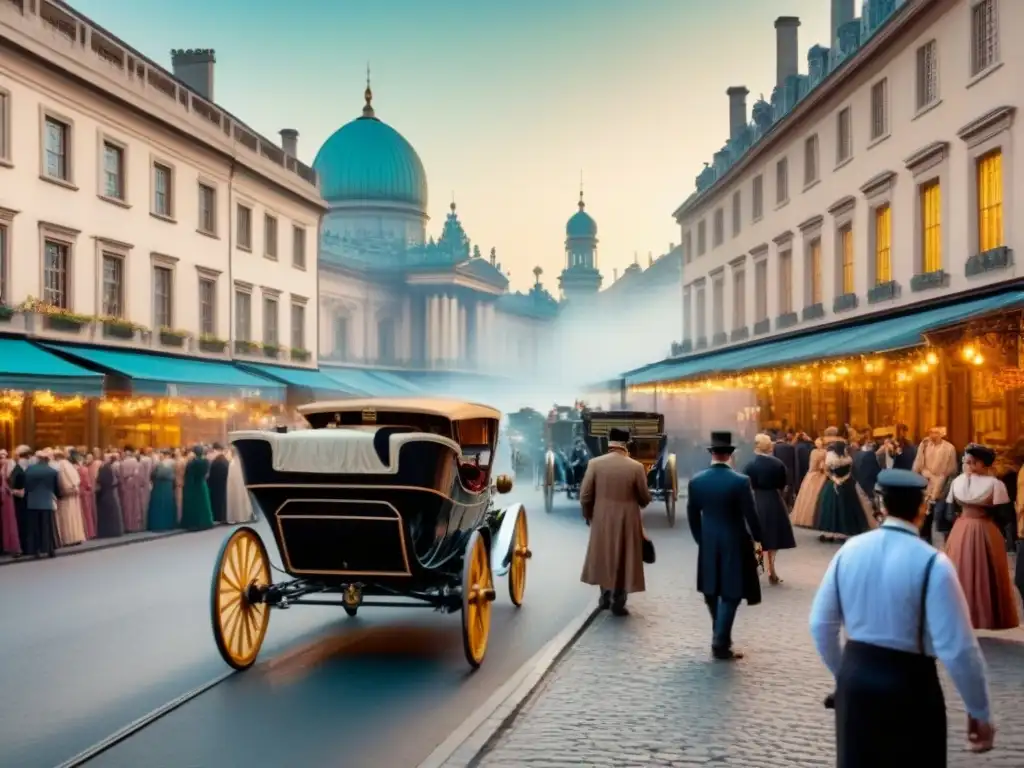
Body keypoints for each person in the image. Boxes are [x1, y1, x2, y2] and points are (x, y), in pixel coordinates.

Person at [809, 469, 995, 766]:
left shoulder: (849, 551)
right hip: (911, 683)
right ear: (923, 508)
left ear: (881, 506)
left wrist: (843, 672)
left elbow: (820, 625)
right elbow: (959, 648)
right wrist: (979, 710)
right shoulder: (934, 563)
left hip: (857, 678)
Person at [686, 431, 762, 660]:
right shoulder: (740, 481)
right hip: (734, 540)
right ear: (730, 455)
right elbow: (751, 515)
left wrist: (701, 538)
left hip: (708, 541)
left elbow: (692, 514)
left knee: (711, 589)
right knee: (731, 593)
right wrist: (759, 538)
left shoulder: (697, 481)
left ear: (712, 453)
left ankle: (720, 636)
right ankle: (720, 641)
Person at [944, 443, 1019, 630]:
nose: (969, 465)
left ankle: (957, 613)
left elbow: (948, 512)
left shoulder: (957, 482)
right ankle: (984, 615)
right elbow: (1005, 515)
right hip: (986, 528)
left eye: (971, 462)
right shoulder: (995, 484)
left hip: (960, 529)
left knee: (960, 567)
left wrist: (960, 519)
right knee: (985, 571)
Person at [579, 427, 650, 616]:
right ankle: (619, 599)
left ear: (609, 443)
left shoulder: (595, 464)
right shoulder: (636, 467)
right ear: (626, 444)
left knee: (604, 555)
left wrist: (589, 515)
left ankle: (605, 596)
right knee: (624, 557)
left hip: (601, 516)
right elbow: (644, 498)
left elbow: (585, 495)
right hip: (628, 517)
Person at [743, 433, 796, 584]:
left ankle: (758, 567)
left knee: (757, 537)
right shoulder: (778, 463)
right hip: (774, 500)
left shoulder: (750, 464)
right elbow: (783, 483)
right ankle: (772, 569)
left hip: (755, 499)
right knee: (773, 536)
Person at [815, 440, 877, 543]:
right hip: (847, 484)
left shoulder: (832, 457)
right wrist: (842, 479)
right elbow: (849, 471)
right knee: (847, 507)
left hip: (835, 484)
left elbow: (827, 471)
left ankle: (830, 532)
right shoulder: (848, 457)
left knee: (831, 508)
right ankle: (844, 531)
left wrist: (836, 480)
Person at [912, 426, 958, 543]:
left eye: (936, 433)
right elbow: (918, 465)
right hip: (925, 484)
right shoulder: (925, 445)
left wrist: (943, 489)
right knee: (924, 517)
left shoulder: (949, 448)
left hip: (941, 485)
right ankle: (925, 542)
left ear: (942, 434)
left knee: (940, 517)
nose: (932, 435)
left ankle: (944, 545)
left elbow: (952, 471)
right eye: (931, 432)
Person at [22, 449, 61, 558]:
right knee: (47, 527)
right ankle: (49, 549)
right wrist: (58, 497)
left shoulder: (29, 470)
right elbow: (56, 488)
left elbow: (26, 486)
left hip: (33, 501)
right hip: (46, 502)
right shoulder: (52, 471)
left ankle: (36, 550)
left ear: (38, 459)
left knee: (35, 527)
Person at [791, 436, 829, 529]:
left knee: (806, 498)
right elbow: (823, 467)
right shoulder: (824, 453)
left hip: (810, 475)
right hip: (820, 476)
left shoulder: (813, 452)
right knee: (817, 497)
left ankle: (803, 517)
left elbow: (812, 466)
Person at [54, 447, 86, 546]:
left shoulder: (62, 464)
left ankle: (69, 539)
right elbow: (75, 480)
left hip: (66, 495)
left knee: (67, 518)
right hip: (73, 493)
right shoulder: (69, 464)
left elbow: (63, 480)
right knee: (75, 517)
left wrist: (63, 490)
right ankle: (76, 537)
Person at [181, 445, 215, 531]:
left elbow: (188, 475)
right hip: (202, 484)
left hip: (194, 485)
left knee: (194, 505)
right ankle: (206, 522)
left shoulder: (192, 463)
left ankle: (195, 523)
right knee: (204, 504)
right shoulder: (206, 462)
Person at [147, 450, 179, 531]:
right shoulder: (174, 463)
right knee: (168, 505)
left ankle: (158, 524)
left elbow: (154, 475)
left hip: (159, 487)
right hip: (168, 487)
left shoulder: (159, 464)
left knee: (159, 505)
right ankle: (169, 524)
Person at [95, 452, 124, 538]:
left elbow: (101, 480)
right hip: (109, 492)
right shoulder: (108, 467)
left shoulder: (104, 468)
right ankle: (113, 531)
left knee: (106, 513)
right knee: (112, 512)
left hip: (105, 493)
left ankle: (107, 532)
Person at [9, 446, 30, 555]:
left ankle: (25, 547)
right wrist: (16, 491)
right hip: (20, 501)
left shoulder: (17, 469)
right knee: (22, 524)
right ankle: (25, 547)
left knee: (23, 524)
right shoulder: (19, 469)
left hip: (22, 501)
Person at [118, 446, 144, 532]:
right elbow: (140, 476)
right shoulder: (136, 463)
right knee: (135, 506)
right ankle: (135, 525)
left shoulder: (122, 463)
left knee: (127, 507)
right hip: (135, 486)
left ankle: (128, 526)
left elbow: (121, 478)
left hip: (126, 487)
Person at [226, 447, 255, 524]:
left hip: (234, 486)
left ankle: (236, 516)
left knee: (236, 498)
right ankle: (243, 515)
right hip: (240, 485)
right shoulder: (239, 463)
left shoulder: (232, 463)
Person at [1, 449, 21, 556]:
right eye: (0, 457)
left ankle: (10, 546)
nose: (2, 459)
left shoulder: (9, 467)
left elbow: (11, 483)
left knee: (8, 521)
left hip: (7, 498)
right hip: (4, 496)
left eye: (3, 457)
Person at [75, 452, 98, 540]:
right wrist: (90, 487)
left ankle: (85, 532)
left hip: (80, 493)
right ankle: (90, 532)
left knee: (82, 514)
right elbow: (87, 483)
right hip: (86, 493)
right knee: (88, 513)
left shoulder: (76, 469)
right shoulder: (84, 469)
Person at [207, 443, 230, 524]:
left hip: (217, 486)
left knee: (218, 502)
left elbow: (212, 475)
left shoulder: (218, 461)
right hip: (222, 485)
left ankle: (218, 517)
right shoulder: (224, 460)